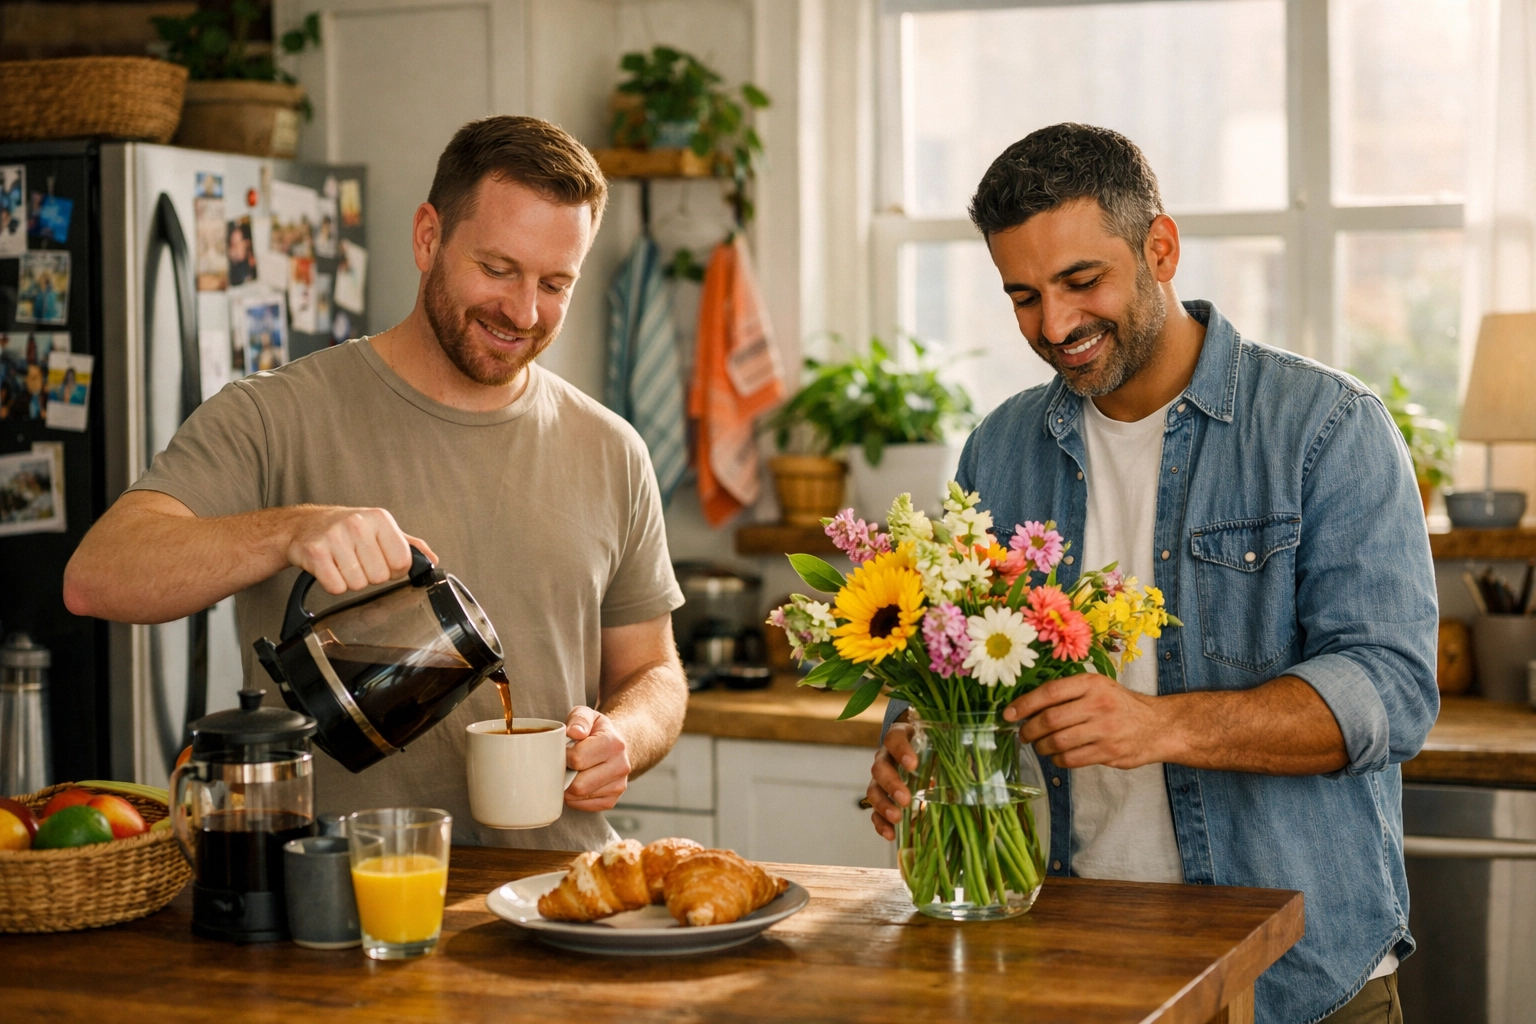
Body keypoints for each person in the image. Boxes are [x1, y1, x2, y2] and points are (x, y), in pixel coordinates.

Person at [865, 124, 1436, 1024]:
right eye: (1023, 296)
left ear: (1159, 249)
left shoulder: (1325, 427)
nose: (1054, 326)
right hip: (1069, 963)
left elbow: (1390, 692)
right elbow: (950, 659)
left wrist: (1160, 726)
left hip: (1296, 982)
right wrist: (915, 739)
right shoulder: (1001, 449)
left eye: (1081, 282)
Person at [65, 115, 689, 852]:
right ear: (428, 237)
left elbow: (653, 668)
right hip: (338, 907)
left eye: (555, 283)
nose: (523, 312)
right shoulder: (275, 415)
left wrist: (624, 735)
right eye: (497, 269)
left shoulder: (611, 449)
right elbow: (97, 577)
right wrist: (288, 531)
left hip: (561, 905)